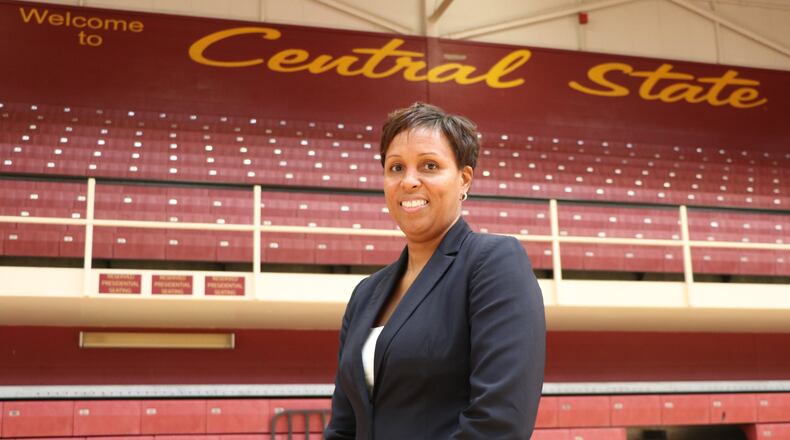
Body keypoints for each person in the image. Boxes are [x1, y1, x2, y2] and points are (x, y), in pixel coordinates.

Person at [324, 102, 545, 440]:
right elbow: (343, 425)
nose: (409, 181)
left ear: (464, 179)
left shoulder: (493, 262)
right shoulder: (365, 293)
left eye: (429, 165)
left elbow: (499, 424)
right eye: (396, 168)